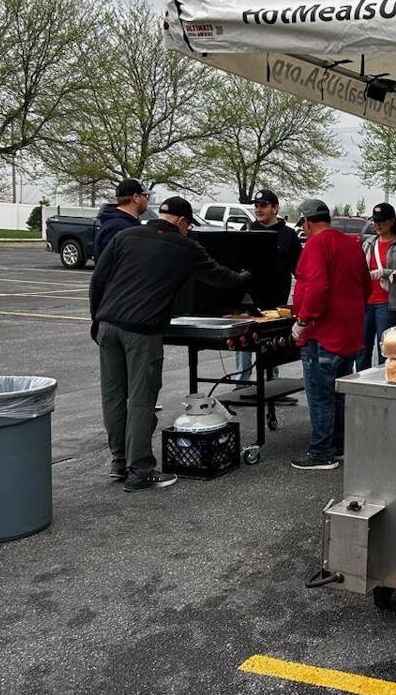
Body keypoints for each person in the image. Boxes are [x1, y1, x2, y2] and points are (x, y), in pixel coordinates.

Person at [90, 197, 249, 492]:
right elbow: (219, 277)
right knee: (141, 400)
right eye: (188, 225)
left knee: (113, 397)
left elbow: (98, 279)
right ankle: (140, 471)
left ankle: (119, 461)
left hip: (108, 325)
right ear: (180, 221)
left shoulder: (126, 235)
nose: (188, 231)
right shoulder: (184, 246)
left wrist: (96, 320)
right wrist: (245, 277)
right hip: (142, 331)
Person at [290, 198, 372, 470]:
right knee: (338, 393)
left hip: (322, 334)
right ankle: (338, 446)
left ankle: (322, 452)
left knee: (320, 395)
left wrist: (303, 320)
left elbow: (317, 287)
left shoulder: (316, 244)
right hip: (348, 334)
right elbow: (365, 287)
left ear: (307, 222)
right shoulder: (351, 244)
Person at [235, 188, 302, 383]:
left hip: (275, 300)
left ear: (275, 208)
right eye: (256, 206)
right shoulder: (247, 231)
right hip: (248, 299)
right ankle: (242, 383)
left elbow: (299, 270)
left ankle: (271, 384)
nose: (258, 209)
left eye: (263, 205)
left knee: (272, 345)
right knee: (244, 342)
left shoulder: (288, 235)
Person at [357, 203, 396, 371]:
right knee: (361, 348)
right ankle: (360, 383)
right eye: (375, 221)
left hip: (388, 303)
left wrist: (385, 272)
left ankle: (382, 383)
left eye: (381, 221)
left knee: (384, 348)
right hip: (367, 302)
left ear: (391, 221)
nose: (377, 225)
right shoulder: (368, 244)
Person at [94, 179, 148, 257]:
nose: (147, 200)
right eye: (146, 196)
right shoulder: (116, 227)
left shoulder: (125, 223)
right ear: (136, 198)